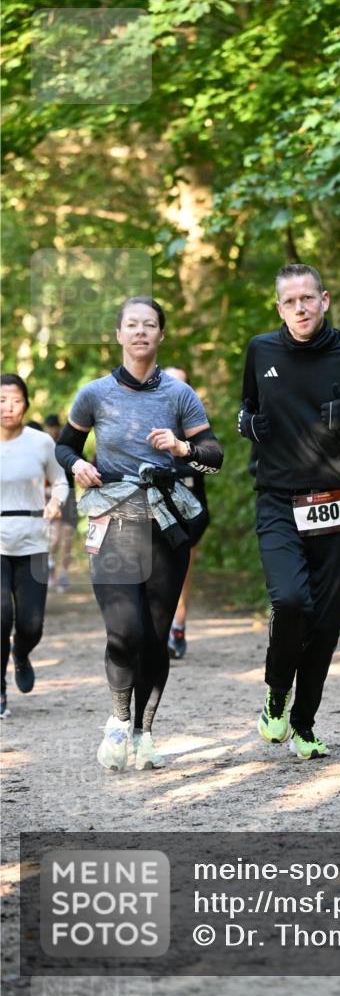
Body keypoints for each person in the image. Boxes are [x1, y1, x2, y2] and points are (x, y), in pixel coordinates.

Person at [56, 297, 223, 772]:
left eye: (150, 324)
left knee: (153, 636)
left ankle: (144, 734)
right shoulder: (94, 394)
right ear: (119, 334)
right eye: (132, 324)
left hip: (164, 528)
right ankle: (117, 721)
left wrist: (183, 447)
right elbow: (65, 447)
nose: (141, 332)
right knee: (124, 630)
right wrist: (79, 465)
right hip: (113, 523)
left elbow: (214, 457)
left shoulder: (179, 395)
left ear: (161, 335)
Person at [238, 263, 340, 759]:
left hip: (335, 502)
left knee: (325, 622)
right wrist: (250, 426)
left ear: (324, 300)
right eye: (290, 301)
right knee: (290, 601)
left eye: (308, 298)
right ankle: (276, 693)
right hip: (277, 498)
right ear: (279, 307)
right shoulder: (261, 350)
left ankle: (303, 726)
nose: (300, 308)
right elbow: (246, 411)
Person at [1, 373, 68, 719]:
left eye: (15, 400)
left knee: (31, 624)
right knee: (1, 616)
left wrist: (56, 501)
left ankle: (22, 653)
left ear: (26, 404)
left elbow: (61, 482)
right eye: (1, 400)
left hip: (34, 541)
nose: (8, 407)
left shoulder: (41, 442)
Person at [163, 366, 211, 660]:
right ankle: (156, 630)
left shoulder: (197, 426)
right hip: (152, 511)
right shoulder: (144, 419)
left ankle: (177, 628)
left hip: (190, 513)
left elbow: (210, 462)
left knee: (182, 574)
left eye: (180, 385)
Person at [44, 413, 78, 592]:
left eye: (55, 427)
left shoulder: (68, 445)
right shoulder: (43, 447)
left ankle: (63, 574)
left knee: (67, 538)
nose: (53, 430)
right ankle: (50, 565)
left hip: (70, 497)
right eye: (50, 427)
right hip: (52, 496)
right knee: (55, 538)